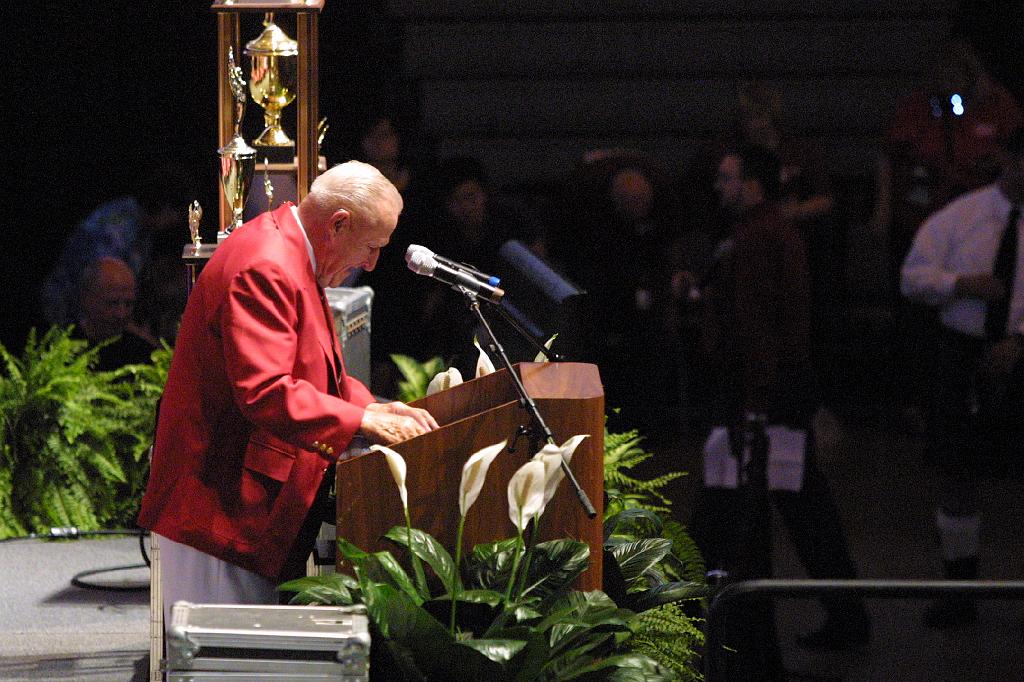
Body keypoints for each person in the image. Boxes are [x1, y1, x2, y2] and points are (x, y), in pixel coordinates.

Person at [137, 161, 439, 621]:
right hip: (217, 504)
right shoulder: (267, 265)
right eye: (372, 246)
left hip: (239, 497)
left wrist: (375, 406)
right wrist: (361, 421)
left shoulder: (292, 248)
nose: (372, 263)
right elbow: (266, 390)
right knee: (224, 662)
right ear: (338, 224)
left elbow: (311, 367)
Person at [689, 144, 869, 675]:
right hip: (771, 399)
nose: (719, 185)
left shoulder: (759, 239)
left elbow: (758, 332)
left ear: (753, 184)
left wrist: (754, 408)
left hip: (760, 403)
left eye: (727, 177)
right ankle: (841, 619)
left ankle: (719, 633)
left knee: (737, 518)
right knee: (803, 510)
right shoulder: (768, 234)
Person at [900, 128, 1024, 627]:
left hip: (1019, 349)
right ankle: (960, 588)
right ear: (1009, 161)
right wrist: (959, 283)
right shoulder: (962, 216)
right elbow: (912, 277)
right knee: (956, 473)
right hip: (963, 353)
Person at [75, 256, 157, 371]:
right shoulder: (60, 350)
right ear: (87, 299)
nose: (121, 314)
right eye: (112, 303)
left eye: (128, 304)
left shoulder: (143, 354)